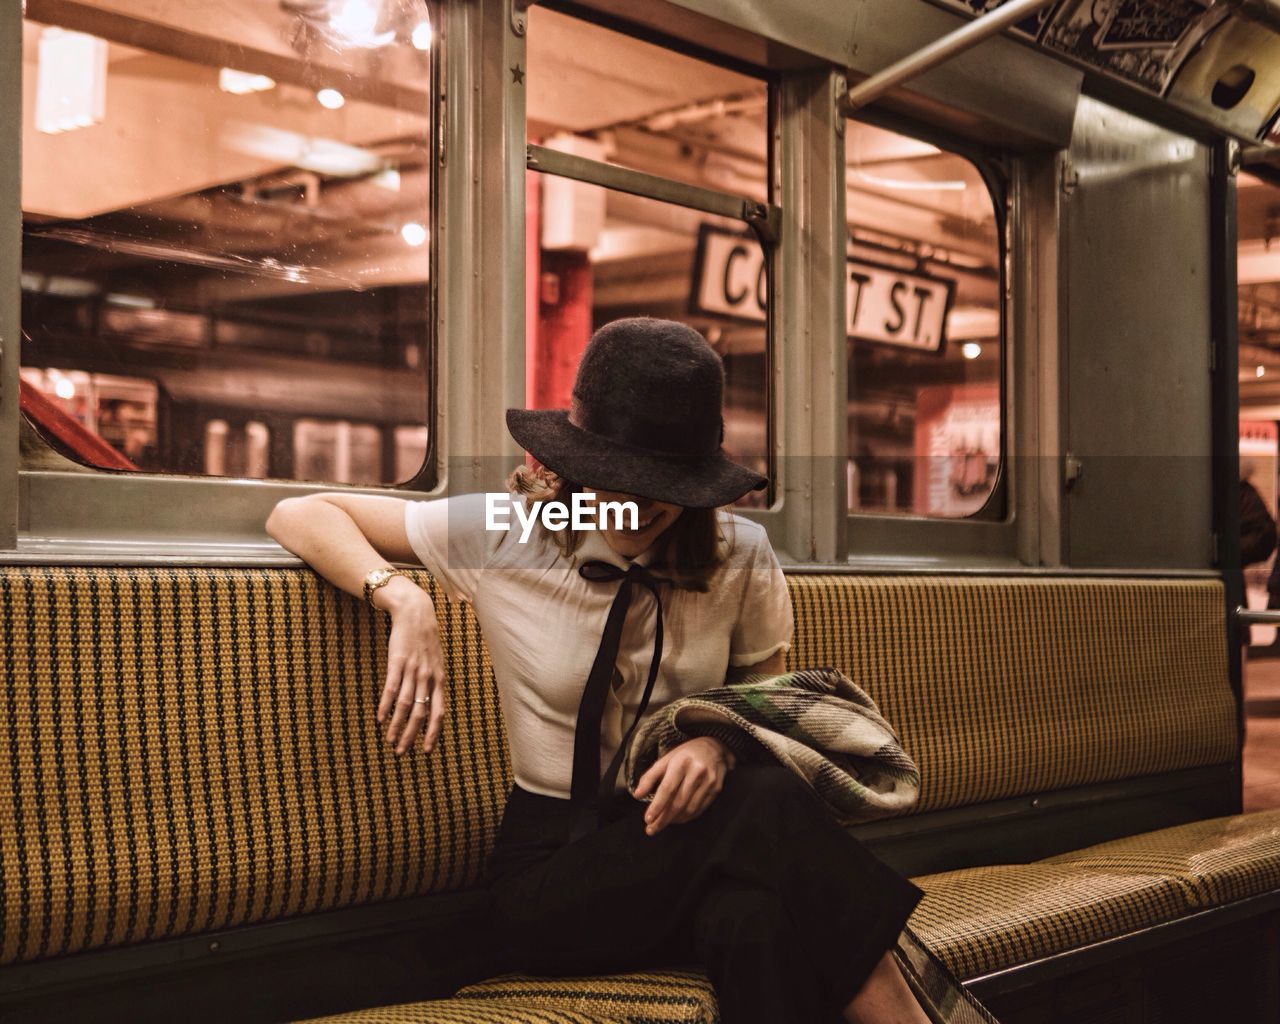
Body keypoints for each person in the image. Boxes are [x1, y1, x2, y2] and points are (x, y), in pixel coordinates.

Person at [266, 318, 933, 1024]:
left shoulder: (740, 555)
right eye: (620, 479)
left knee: (753, 916)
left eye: (664, 485)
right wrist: (402, 599)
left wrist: (717, 743)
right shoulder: (510, 532)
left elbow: (766, 707)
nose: (639, 506)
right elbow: (302, 513)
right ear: (579, 464)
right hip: (555, 873)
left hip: (687, 840)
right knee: (763, 805)